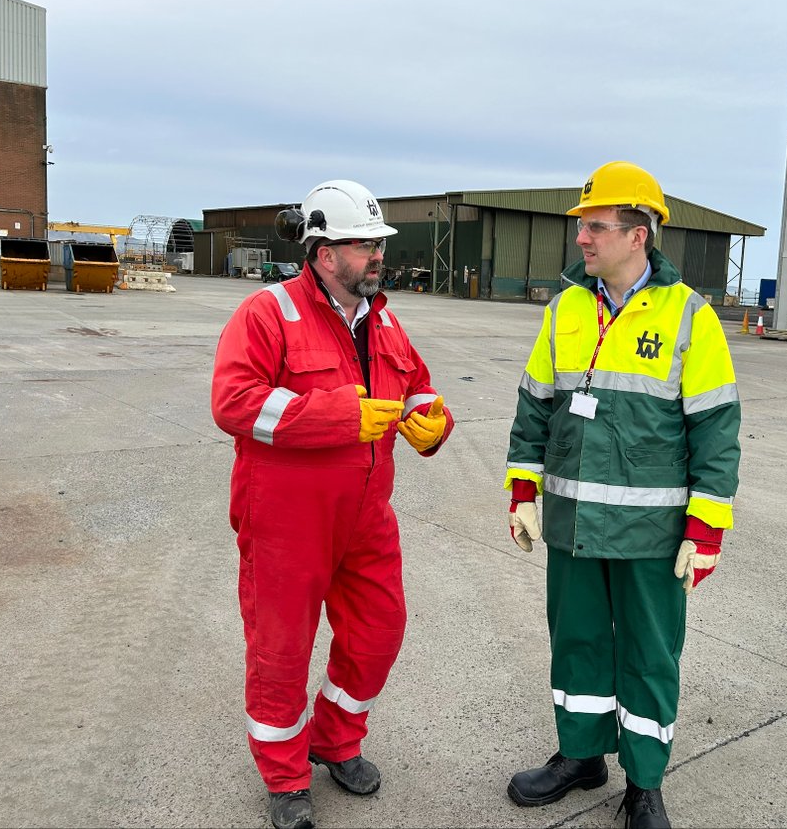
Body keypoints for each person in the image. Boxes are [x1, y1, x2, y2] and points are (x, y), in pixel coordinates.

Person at [503, 162, 741, 828]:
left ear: (638, 234)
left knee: (648, 656)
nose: (582, 237)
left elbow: (717, 432)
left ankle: (644, 785)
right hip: (575, 525)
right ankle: (580, 757)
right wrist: (523, 491)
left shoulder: (688, 315)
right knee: (576, 643)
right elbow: (533, 410)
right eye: (583, 225)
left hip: (650, 533)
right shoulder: (565, 310)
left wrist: (707, 529)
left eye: (597, 226)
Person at [211, 179, 454, 829]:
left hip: (366, 520)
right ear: (323, 253)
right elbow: (233, 403)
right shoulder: (268, 314)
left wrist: (432, 419)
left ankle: (334, 739)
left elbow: (416, 387)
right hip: (286, 523)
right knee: (280, 653)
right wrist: (337, 416)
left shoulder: (385, 319)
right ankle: (286, 777)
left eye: (379, 244)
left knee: (380, 632)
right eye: (363, 244)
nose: (377, 255)